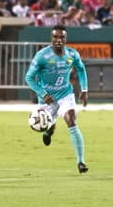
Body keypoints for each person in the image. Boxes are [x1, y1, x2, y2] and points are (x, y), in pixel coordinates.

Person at [24, 26, 90, 174]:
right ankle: (48, 132)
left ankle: (81, 162)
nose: (58, 40)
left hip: (66, 95)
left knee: (71, 121)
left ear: (66, 39)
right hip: (47, 99)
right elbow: (28, 77)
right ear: (51, 39)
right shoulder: (42, 56)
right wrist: (42, 93)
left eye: (62, 38)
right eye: (55, 37)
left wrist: (84, 89)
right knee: (50, 127)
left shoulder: (72, 54)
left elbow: (81, 69)